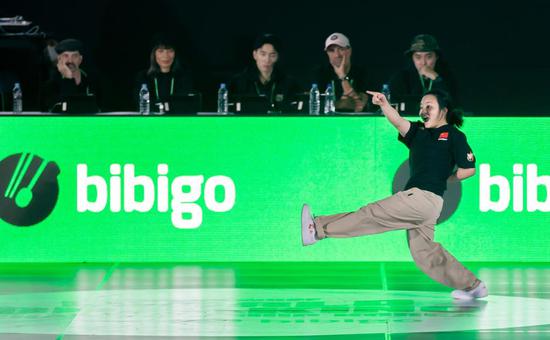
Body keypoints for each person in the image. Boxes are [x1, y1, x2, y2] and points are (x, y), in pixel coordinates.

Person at [301, 89, 488, 300]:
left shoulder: (454, 135)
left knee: (371, 214)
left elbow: (469, 169)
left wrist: (446, 178)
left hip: (423, 199)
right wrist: (384, 104)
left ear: (443, 111)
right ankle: (473, 286)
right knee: (425, 253)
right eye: (421, 107)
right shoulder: (418, 132)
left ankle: (317, 230)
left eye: (429, 106)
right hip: (425, 205)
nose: (423, 110)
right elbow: (398, 122)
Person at [229, 34, 299, 114]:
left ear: (278, 57)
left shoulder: (289, 83)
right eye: (263, 54)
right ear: (255, 55)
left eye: (272, 55)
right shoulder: (238, 82)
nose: (267, 60)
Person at [389, 34, 458, 109]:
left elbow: (452, 103)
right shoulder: (401, 77)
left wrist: (436, 78)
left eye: (429, 57)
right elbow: (393, 102)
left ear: (436, 57)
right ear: (412, 58)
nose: (423, 62)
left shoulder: (447, 77)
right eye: (418, 57)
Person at [311, 33, 371, 112]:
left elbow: (360, 106)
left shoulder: (362, 72)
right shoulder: (320, 73)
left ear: (349, 50)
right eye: (331, 50)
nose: (337, 55)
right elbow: (313, 105)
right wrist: (340, 104)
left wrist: (342, 76)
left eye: (341, 49)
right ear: (327, 53)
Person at [135, 35, 195, 113]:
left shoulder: (184, 76)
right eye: (161, 51)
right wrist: (167, 106)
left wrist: (160, 106)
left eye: (170, 51)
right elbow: (141, 105)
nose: (166, 56)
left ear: (175, 54)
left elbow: (185, 105)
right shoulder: (143, 76)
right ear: (154, 54)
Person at [41, 38, 98, 112]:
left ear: (80, 59)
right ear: (59, 59)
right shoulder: (50, 86)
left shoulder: (93, 80)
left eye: (74, 56)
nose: (70, 60)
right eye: (66, 56)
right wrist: (68, 78)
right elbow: (65, 110)